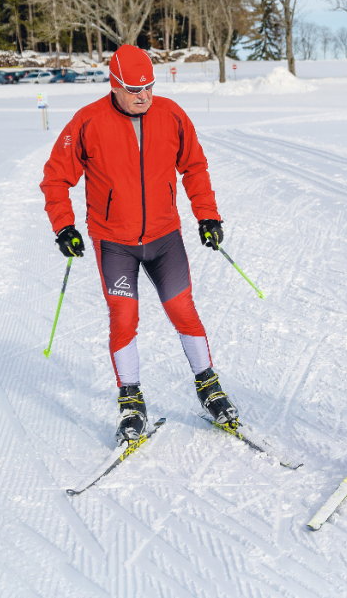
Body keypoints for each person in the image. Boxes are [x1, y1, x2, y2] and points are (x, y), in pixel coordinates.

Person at [40, 44, 240, 445]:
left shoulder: (171, 115)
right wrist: (64, 227)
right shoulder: (87, 122)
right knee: (124, 317)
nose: (144, 95)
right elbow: (55, 178)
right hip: (114, 242)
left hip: (164, 238)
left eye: (149, 86)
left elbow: (194, 167)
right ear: (114, 84)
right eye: (134, 89)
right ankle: (131, 402)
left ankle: (209, 388)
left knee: (182, 309)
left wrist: (207, 216)